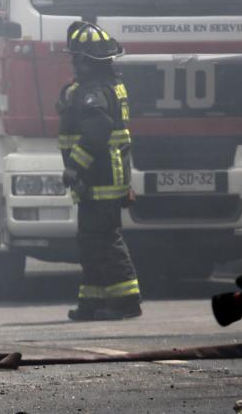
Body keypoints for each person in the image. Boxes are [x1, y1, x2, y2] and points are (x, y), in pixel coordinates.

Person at [56, 22, 142, 321]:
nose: (73, 63)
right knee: (91, 241)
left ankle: (127, 301)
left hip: (100, 179)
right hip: (102, 179)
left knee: (104, 240)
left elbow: (98, 129)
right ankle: (91, 302)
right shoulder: (106, 87)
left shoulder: (94, 92)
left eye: (76, 58)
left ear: (88, 62)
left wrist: (74, 166)